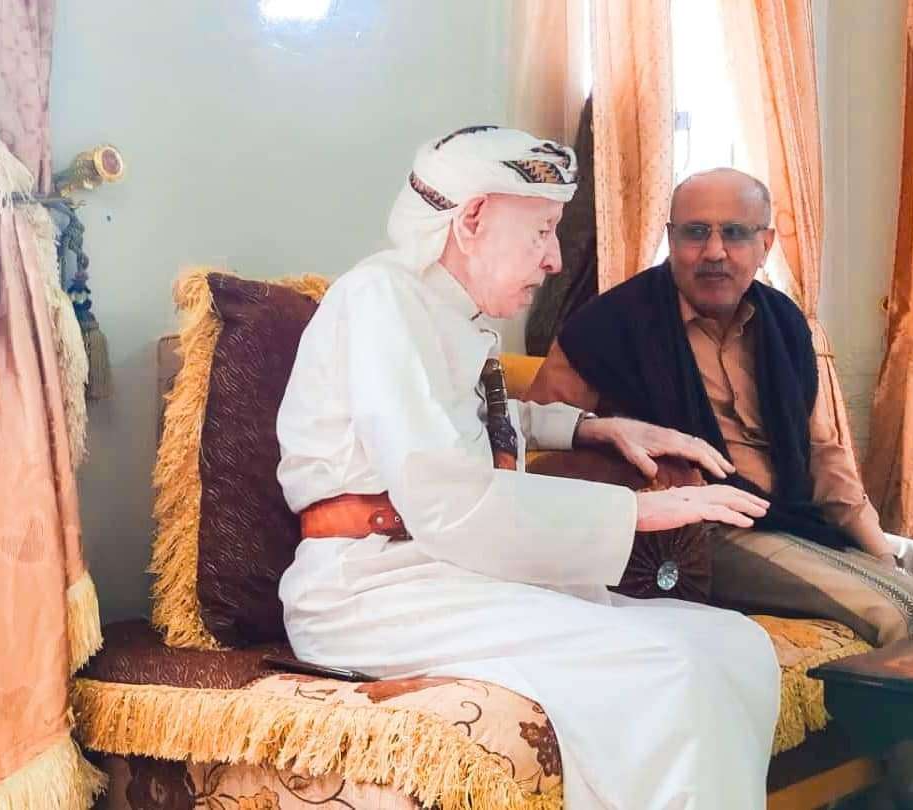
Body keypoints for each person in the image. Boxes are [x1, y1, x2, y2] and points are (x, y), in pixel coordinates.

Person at [276, 128, 780, 810]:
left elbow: (462, 420)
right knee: (668, 670)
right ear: (472, 220)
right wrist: (640, 510)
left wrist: (589, 426)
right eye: (541, 231)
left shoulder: (447, 313)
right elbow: (444, 493)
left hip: (448, 572)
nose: (553, 259)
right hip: (373, 587)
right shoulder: (378, 299)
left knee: (734, 643)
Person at [528, 167, 913, 650]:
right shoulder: (609, 326)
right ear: (671, 239)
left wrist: (880, 550)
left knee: (908, 570)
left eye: (734, 233)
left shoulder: (785, 324)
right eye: (696, 232)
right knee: (901, 612)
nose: (714, 251)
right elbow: (537, 450)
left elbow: (823, 453)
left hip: (794, 516)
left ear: (765, 244)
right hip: (700, 530)